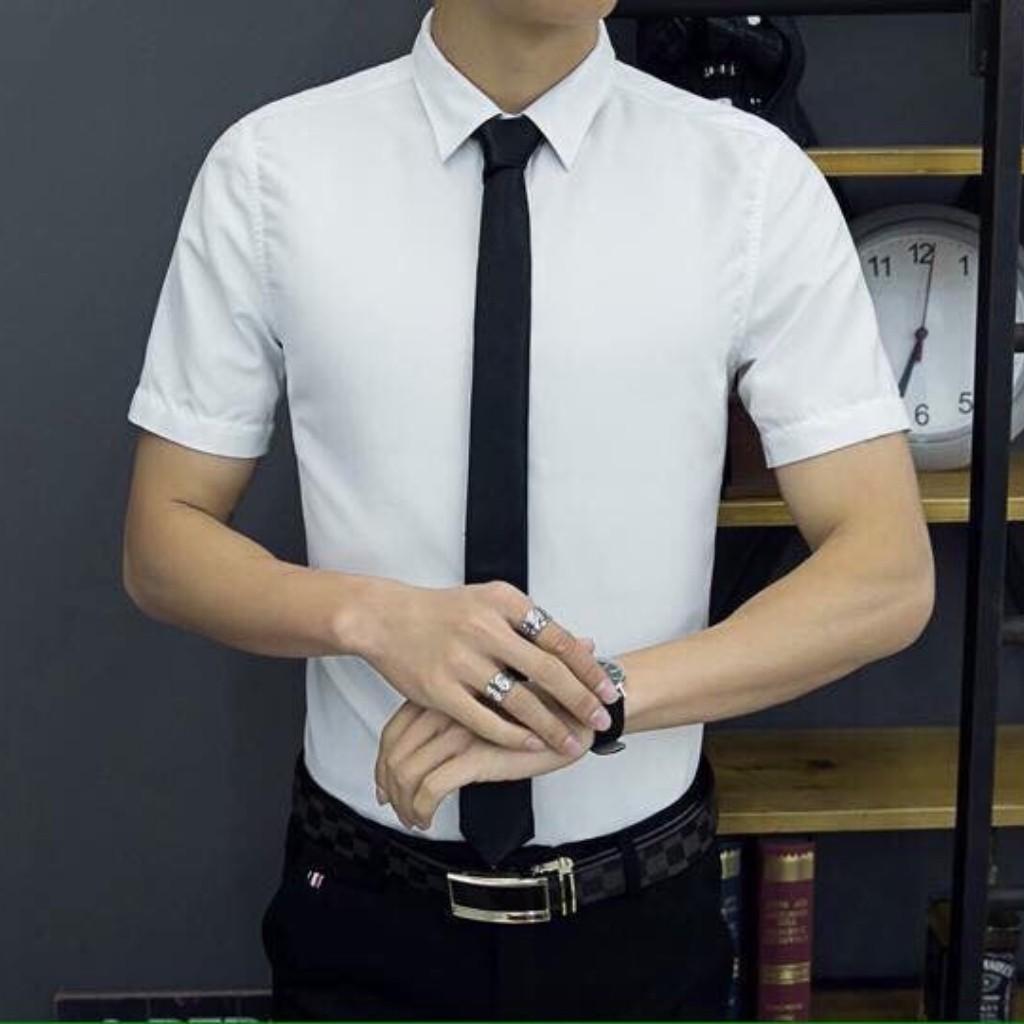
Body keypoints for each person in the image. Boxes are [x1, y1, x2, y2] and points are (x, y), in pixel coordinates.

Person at [121, 0, 936, 1019]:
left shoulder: (750, 183)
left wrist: (594, 701)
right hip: (363, 911)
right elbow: (163, 541)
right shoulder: (271, 171)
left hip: (641, 918)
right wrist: (377, 619)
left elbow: (885, 573)